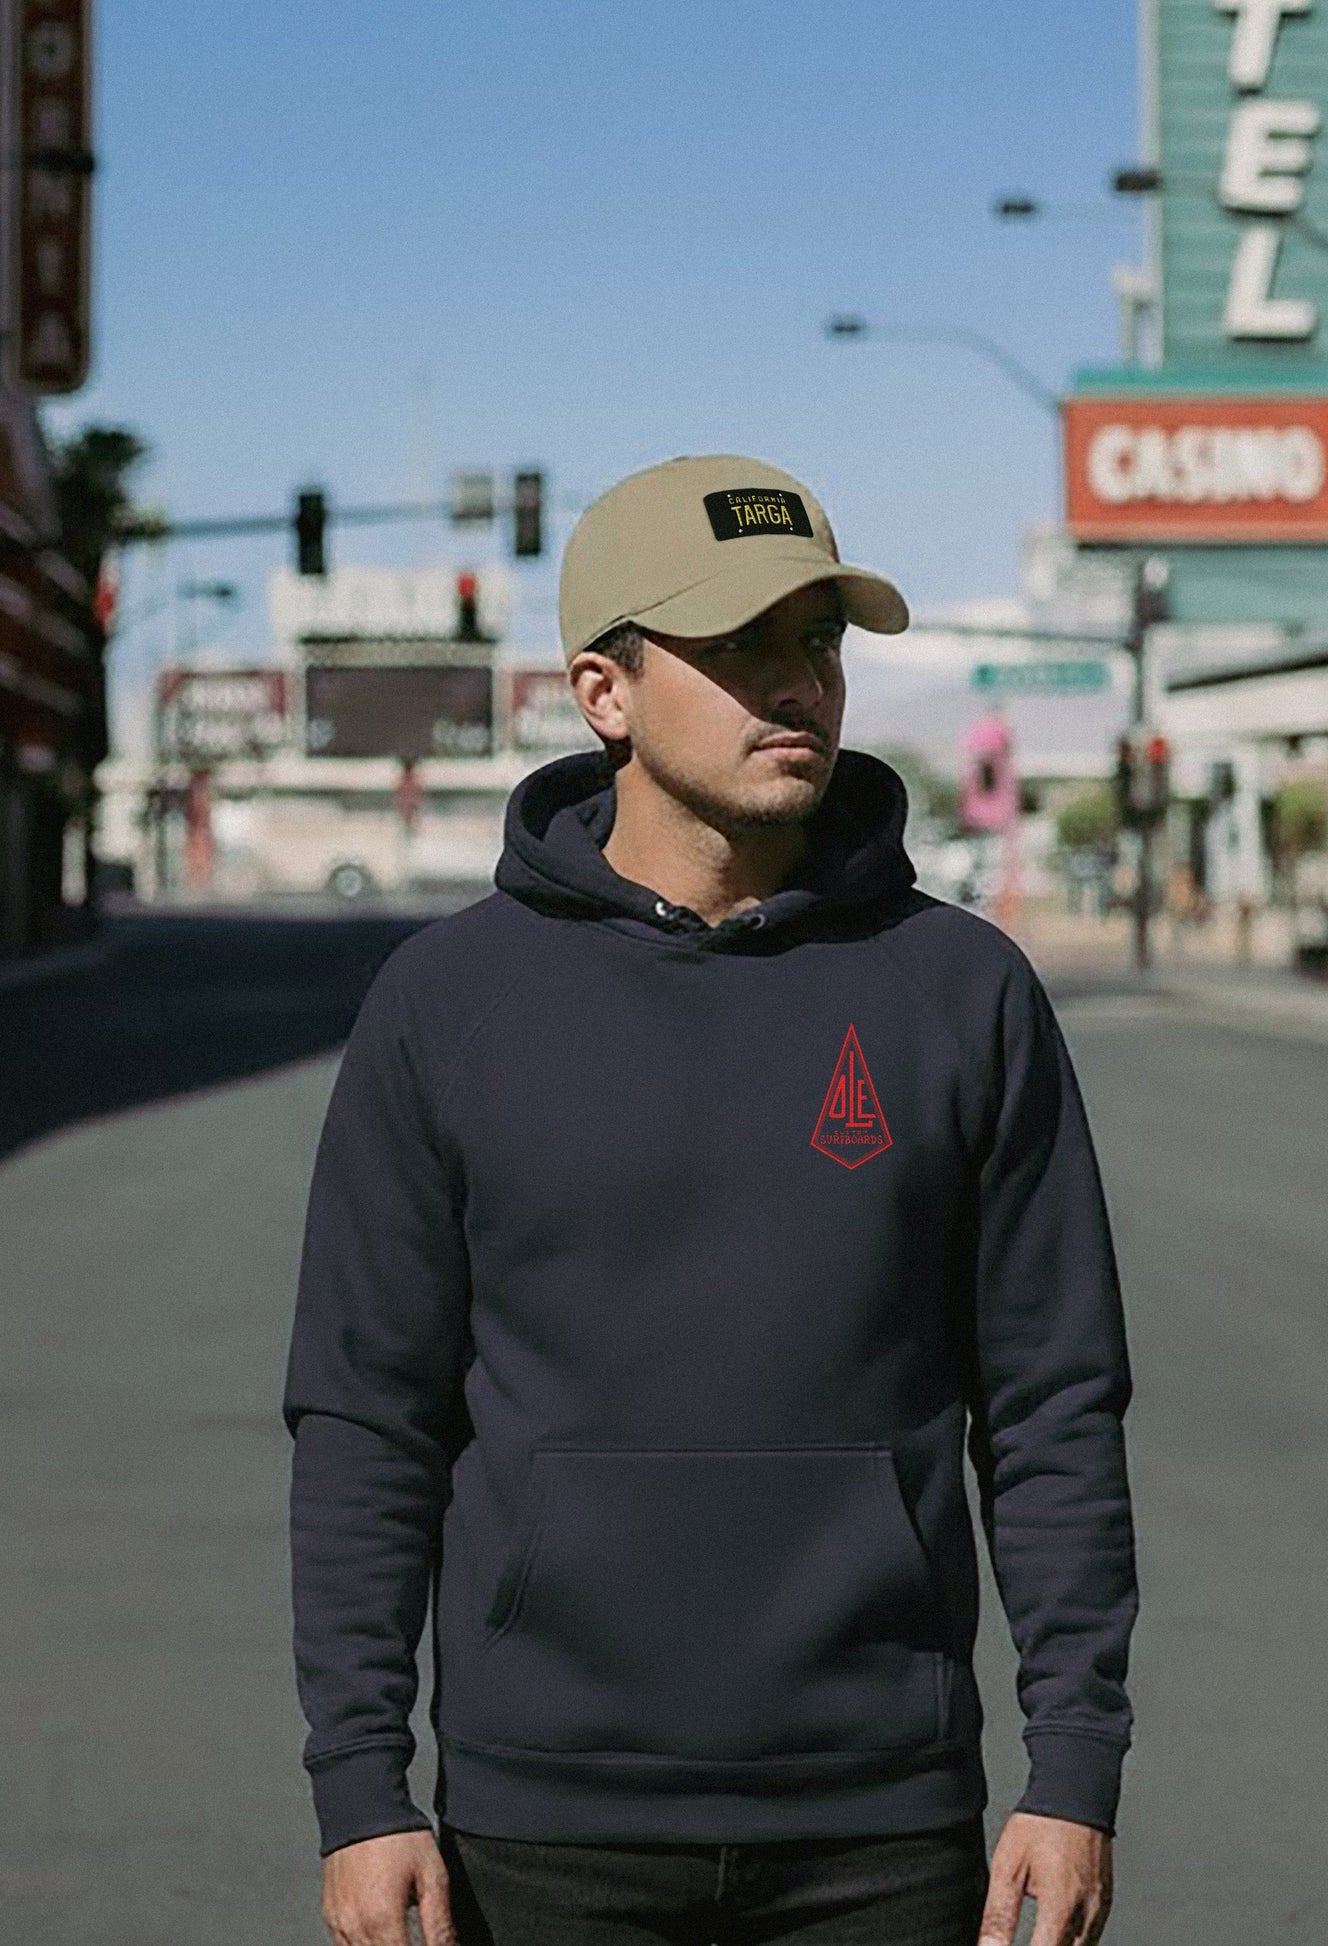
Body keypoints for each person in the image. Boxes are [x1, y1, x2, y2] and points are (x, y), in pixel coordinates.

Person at [282, 455, 1139, 1945]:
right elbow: (368, 1418)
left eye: (817, 640)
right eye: (738, 645)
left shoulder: (961, 990)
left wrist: (1073, 1768)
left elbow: (1053, 1404)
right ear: (603, 692)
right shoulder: (448, 1001)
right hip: (544, 1824)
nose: (798, 683)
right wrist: (363, 1786)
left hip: (880, 1821)